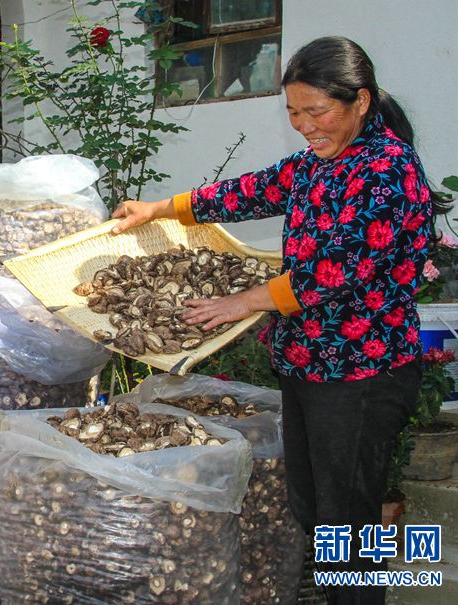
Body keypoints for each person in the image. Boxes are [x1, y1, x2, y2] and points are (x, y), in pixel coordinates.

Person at [111, 36, 450, 604]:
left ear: (360, 101)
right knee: (315, 507)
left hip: (362, 375)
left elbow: (336, 269)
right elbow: (248, 191)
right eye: (293, 111)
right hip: (308, 367)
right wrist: (159, 208)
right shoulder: (321, 161)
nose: (303, 124)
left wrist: (242, 302)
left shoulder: (389, 168)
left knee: (348, 523)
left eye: (315, 111)